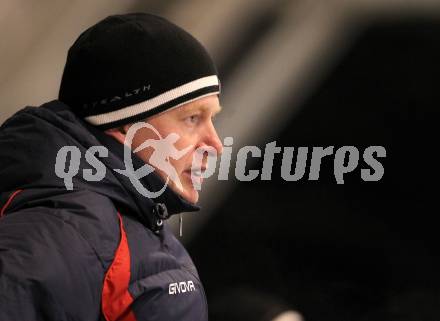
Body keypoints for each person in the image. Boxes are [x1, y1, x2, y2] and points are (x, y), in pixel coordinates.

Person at [0, 13, 222, 321]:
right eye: (192, 118)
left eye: (213, 118)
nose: (215, 143)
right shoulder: (67, 231)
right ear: (125, 123)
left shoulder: (117, 221)